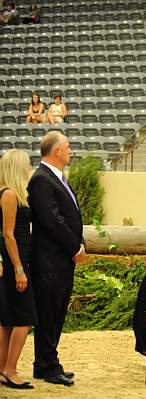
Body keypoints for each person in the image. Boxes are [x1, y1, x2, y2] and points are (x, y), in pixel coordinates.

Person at [28, 131, 85, 386]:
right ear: (57, 151)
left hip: (61, 260)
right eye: (68, 146)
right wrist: (74, 246)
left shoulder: (56, 178)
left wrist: (79, 242)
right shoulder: (41, 179)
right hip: (49, 262)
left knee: (56, 313)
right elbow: (52, 221)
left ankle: (45, 363)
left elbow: (69, 217)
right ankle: (48, 366)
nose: (71, 150)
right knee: (49, 315)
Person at [0, 149, 36, 390]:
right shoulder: (10, 195)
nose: (28, 168)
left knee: (8, 321)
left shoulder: (11, 193)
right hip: (17, 263)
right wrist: (18, 269)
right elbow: (8, 234)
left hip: (17, 262)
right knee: (25, 319)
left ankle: (3, 369)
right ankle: (11, 371)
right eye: (26, 164)